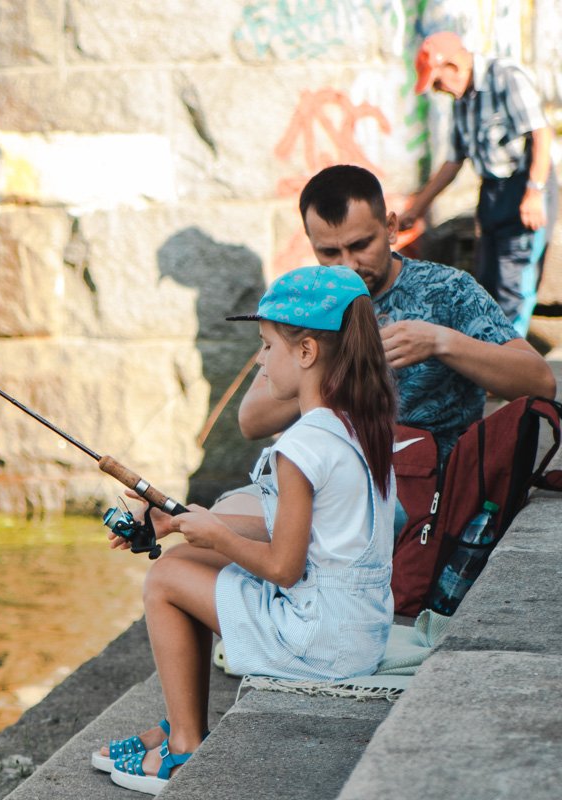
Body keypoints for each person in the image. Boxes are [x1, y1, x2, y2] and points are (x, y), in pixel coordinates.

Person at [92, 265, 399, 794]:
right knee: (184, 559)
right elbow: (300, 528)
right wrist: (177, 522)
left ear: (306, 352)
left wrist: (219, 537)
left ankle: (184, 749)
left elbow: (284, 566)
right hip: (356, 629)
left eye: (266, 345)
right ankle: (181, 722)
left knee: (164, 579)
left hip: (318, 642)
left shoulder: (300, 447)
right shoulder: (355, 423)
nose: (260, 359)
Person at [245, 163, 555, 460]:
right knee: (228, 500)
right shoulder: (310, 304)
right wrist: (336, 369)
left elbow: (541, 383)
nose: (348, 265)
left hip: (431, 480)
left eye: (360, 245)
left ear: (390, 228)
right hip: (337, 472)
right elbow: (252, 420)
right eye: (329, 252)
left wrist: (441, 342)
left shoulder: (448, 289)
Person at [398, 31, 558, 337]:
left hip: (525, 185)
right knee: (487, 279)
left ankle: (511, 356)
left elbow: (541, 134)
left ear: (453, 66)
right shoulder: (462, 100)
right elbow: (453, 162)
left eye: (437, 82)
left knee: (513, 283)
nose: (438, 90)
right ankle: (488, 349)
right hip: (492, 190)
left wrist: (534, 192)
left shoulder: (505, 78)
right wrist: (416, 209)